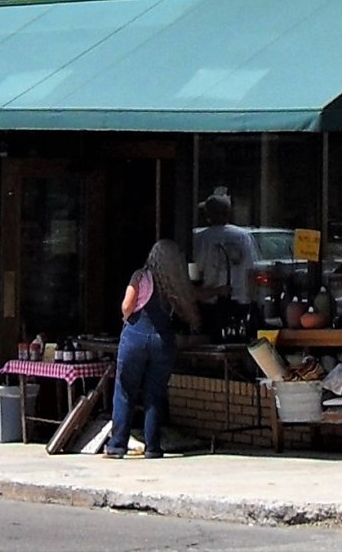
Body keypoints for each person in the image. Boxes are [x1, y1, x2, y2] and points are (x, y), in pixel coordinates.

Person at [104, 239, 198, 459]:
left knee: (125, 389)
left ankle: (117, 445)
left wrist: (126, 320)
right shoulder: (176, 283)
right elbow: (189, 311)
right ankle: (153, 447)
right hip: (164, 339)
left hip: (136, 334)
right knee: (155, 394)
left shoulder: (140, 276)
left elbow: (127, 305)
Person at [191, 193, 255, 338]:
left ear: (208, 214)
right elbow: (250, 271)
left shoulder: (201, 238)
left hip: (210, 303)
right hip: (240, 301)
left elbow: (195, 272)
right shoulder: (243, 236)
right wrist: (251, 300)